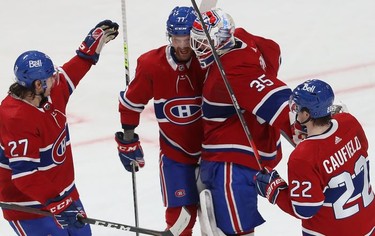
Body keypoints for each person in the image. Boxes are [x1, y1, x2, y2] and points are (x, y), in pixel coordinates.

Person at [0, 20, 119, 235]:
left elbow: (71, 73)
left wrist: (86, 53)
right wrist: (58, 202)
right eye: (50, 77)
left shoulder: (49, 92)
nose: (56, 79)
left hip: (64, 192)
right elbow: (25, 175)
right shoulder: (14, 116)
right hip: (29, 208)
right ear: (38, 84)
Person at [190, 8, 296, 235]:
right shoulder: (243, 38)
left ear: (220, 41)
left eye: (203, 43)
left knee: (236, 231)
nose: (197, 49)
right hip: (254, 150)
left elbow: (276, 101)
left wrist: (307, 129)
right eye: (196, 42)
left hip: (230, 162)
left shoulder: (229, 73)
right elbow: (272, 50)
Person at [115, 6, 206, 236]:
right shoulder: (151, 65)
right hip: (176, 155)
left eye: (187, 39)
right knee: (180, 222)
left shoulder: (209, 59)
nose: (183, 46)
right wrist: (128, 139)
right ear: (169, 37)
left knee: (219, 219)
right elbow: (131, 103)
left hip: (214, 152)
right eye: (177, 39)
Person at [254, 79, 375, 236]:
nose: (295, 112)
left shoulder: (303, 157)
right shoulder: (349, 122)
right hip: (369, 224)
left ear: (306, 114)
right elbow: (361, 148)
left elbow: (305, 209)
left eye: (297, 108)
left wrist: (274, 189)